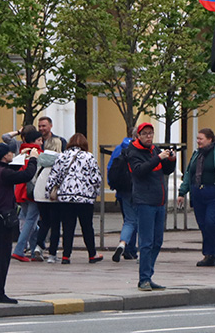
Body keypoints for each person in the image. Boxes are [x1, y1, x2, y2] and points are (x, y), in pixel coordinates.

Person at [127, 122, 177, 290]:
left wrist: (171, 160)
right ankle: (144, 279)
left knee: (157, 241)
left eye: (151, 133)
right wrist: (159, 157)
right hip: (144, 201)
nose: (149, 136)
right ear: (138, 136)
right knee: (146, 242)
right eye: (145, 133)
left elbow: (166, 170)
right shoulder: (133, 152)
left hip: (159, 200)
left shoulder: (154, 150)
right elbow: (140, 171)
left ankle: (148, 275)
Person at [177, 127, 215, 267]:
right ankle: (208, 254)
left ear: (210, 139)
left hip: (214, 193)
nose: (198, 141)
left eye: (200, 139)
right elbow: (188, 173)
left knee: (211, 222)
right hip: (198, 194)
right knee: (203, 225)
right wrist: (182, 192)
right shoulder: (197, 154)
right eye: (197, 139)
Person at [0, 142, 35, 304]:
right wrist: (33, 159)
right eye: (10, 153)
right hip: (2, 218)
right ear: (4, 156)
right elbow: (25, 175)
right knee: (1, 256)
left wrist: (24, 156)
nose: (12, 154)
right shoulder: (3, 173)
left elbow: (13, 168)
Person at [47, 133, 103, 263]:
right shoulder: (89, 157)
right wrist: (95, 193)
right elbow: (96, 179)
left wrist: (49, 193)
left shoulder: (62, 156)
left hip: (65, 198)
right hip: (85, 198)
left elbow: (53, 176)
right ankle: (92, 254)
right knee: (87, 226)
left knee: (67, 227)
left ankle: (66, 256)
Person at [11, 127, 43, 262]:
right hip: (33, 191)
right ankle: (19, 249)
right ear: (33, 141)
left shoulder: (21, 152)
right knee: (31, 221)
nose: (41, 142)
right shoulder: (37, 153)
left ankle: (35, 248)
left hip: (20, 190)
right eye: (39, 140)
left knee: (27, 219)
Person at [107, 130, 138, 264]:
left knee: (129, 220)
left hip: (122, 190)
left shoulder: (120, 148)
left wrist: (113, 185)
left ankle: (122, 244)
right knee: (142, 221)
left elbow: (110, 168)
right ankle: (133, 249)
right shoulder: (141, 150)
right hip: (139, 189)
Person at [30, 139, 62, 262]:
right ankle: (52, 254)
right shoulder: (61, 159)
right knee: (55, 225)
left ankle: (39, 246)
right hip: (53, 195)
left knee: (44, 222)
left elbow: (33, 178)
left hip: (39, 194)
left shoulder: (39, 158)